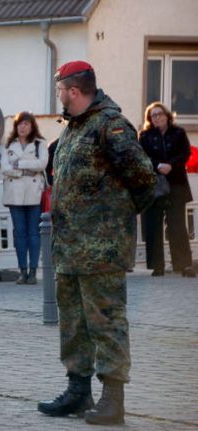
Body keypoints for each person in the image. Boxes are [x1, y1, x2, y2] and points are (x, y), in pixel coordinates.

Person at [37, 61, 155, 425]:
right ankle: (78, 391)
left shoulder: (111, 126)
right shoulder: (74, 129)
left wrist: (112, 221)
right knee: (74, 323)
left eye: (59, 90)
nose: (57, 96)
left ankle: (113, 398)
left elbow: (144, 180)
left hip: (101, 249)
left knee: (106, 322)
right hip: (70, 248)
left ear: (74, 91)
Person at [140, 102, 196, 278]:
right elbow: (142, 156)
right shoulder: (145, 135)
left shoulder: (178, 133)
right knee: (153, 226)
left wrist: (171, 165)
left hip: (176, 184)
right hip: (155, 185)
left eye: (159, 114)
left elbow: (185, 153)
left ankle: (183, 264)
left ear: (167, 115)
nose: (157, 117)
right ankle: (157, 266)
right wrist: (157, 165)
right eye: (153, 115)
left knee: (177, 225)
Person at [0, 112, 47, 285]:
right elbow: (4, 168)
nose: (23, 127)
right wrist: (27, 169)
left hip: (34, 192)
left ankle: (33, 271)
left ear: (32, 126)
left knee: (33, 233)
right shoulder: (8, 145)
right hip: (14, 194)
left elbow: (42, 164)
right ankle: (23, 271)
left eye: (26, 124)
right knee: (19, 234)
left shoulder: (40, 144)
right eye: (20, 124)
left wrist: (19, 164)